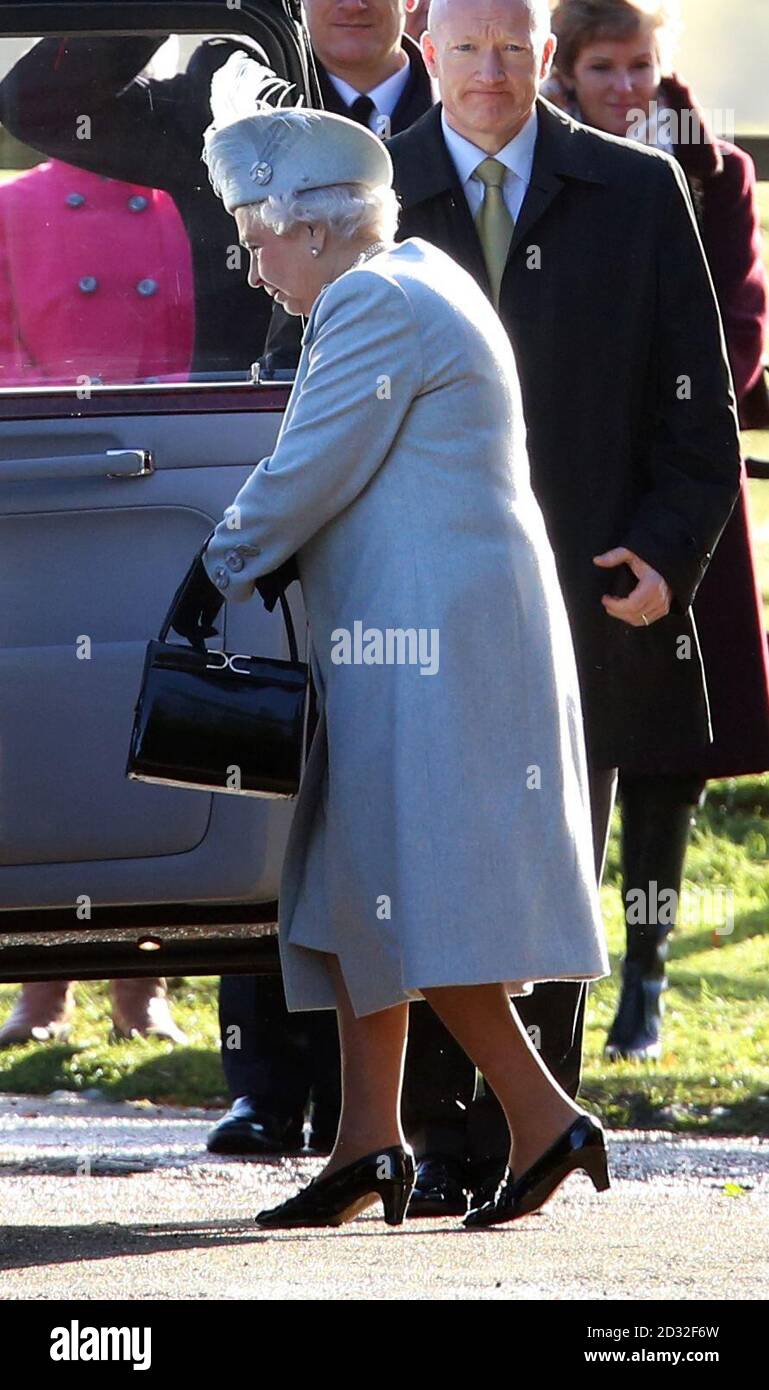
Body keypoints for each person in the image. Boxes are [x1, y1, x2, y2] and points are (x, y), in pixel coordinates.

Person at [189, 52, 613, 1230]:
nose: (252, 258)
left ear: (310, 227)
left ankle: (543, 1117)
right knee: (361, 879)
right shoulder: (417, 276)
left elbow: (303, 469)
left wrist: (206, 570)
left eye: (256, 235)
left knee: (415, 890)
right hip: (418, 642)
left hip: (428, 650)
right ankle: (367, 1142)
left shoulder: (371, 300)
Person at [384, 0, 742, 1212]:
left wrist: (662, 555)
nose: (488, 72)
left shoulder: (638, 193)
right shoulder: (370, 191)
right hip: (410, 602)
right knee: (423, 860)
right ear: (424, 56)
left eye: (509, 49)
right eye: (463, 47)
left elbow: (698, 419)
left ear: (544, 60)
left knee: (545, 869)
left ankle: (537, 1130)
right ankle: (441, 1144)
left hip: (582, 604)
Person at [546, 0, 769, 1060]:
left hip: (684, 501)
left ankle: (647, 973)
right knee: (566, 737)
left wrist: (667, 453)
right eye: (604, 67)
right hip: (567, 494)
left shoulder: (713, 175)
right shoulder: (542, 165)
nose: (627, 87)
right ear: (567, 70)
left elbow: (736, 330)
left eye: (641, 65)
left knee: (667, 752)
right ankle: (560, 969)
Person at [0, 158, 193, 1048]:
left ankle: (139, 980)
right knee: (40, 725)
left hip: (148, 482)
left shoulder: (171, 205)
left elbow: (192, 345)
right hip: (38, 485)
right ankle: (39, 988)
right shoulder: (14, 205)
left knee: (142, 723)